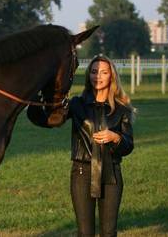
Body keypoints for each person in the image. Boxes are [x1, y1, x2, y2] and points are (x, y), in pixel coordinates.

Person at [28, 54, 134, 236]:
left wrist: (115, 137)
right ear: (88, 75)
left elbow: (128, 145)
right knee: (84, 232)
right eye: (94, 72)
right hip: (82, 173)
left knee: (109, 232)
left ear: (111, 76)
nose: (98, 76)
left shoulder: (122, 108)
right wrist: (35, 97)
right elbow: (48, 120)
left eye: (103, 72)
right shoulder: (77, 104)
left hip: (112, 174)